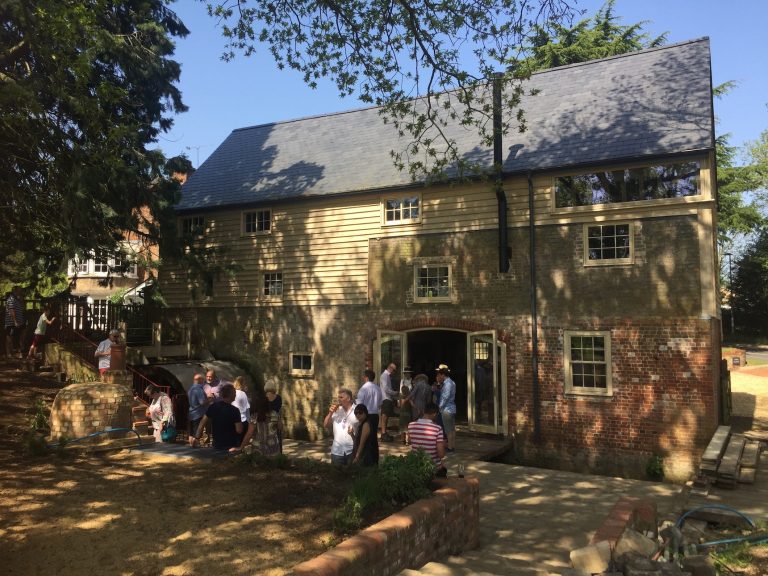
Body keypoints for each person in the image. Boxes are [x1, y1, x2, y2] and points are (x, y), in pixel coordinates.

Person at [189, 383, 243, 451]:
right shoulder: (235, 411)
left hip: (216, 444)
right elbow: (239, 430)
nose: (235, 395)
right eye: (234, 393)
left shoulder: (213, 407)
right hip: (231, 445)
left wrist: (197, 437)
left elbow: (202, 422)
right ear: (231, 395)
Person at [408, 402, 447, 477]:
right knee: (443, 469)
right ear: (435, 414)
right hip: (432, 468)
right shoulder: (437, 428)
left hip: (416, 465)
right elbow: (441, 454)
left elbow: (410, 441)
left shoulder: (411, 425)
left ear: (424, 411)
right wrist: (443, 445)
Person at [323, 388, 357, 466]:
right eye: (338, 397)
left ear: (348, 398)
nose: (339, 399)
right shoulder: (336, 410)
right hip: (337, 451)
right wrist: (330, 413)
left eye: (341, 397)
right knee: (336, 477)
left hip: (352, 450)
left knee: (352, 476)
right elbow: (326, 425)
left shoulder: (357, 410)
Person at [356, 369, 382, 462]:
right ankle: (375, 460)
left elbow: (359, 405)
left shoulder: (363, 388)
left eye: (364, 376)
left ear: (366, 377)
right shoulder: (377, 388)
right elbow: (380, 403)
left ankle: (365, 460)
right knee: (373, 438)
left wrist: (358, 417)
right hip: (375, 415)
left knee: (364, 439)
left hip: (366, 416)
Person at [436, 364, 456, 452]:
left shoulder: (447, 384)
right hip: (451, 408)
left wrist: (439, 407)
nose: (439, 376)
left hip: (446, 409)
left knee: (448, 429)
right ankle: (452, 445)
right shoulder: (452, 382)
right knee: (452, 429)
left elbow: (445, 397)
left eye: (440, 375)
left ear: (443, 375)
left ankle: (450, 447)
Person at [5, 286, 26, 358]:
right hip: (11, 322)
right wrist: (15, 321)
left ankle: (18, 351)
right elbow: (11, 311)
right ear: (15, 291)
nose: (21, 292)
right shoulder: (11, 299)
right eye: (19, 290)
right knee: (9, 337)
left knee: (20, 335)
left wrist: (21, 299)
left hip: (20, 321)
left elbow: (23, 308)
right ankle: (8, 353)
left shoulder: (18, 299)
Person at [379, 362, 398, 442]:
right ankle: (383, 433)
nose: (394, 373)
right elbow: (386, 389)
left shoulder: (387, 376)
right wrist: (395, 393)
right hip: (386, 398)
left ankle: (384, 433)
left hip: (388, 399)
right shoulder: (384, 376)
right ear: (390, 368)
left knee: (386, 417)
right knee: (384, 417)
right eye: (394, 371)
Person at [187, 373, 208, 440]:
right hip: (198, 414)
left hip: (191, 413)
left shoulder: (190, 389)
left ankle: (191, 448)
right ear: (200, 380)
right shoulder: (199, 389)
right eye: (203, 380)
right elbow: (202, 402)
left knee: (191, 434)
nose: (203, 382)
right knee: (196, 435)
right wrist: (210, 399)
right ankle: (195, 448)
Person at [265, 384, 284, 452]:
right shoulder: (278, 397)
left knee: (268, 437)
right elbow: (279, 409)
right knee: (278, 437)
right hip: (276, 419)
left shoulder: (264, 397)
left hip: (267, 420)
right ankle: (279, 452)